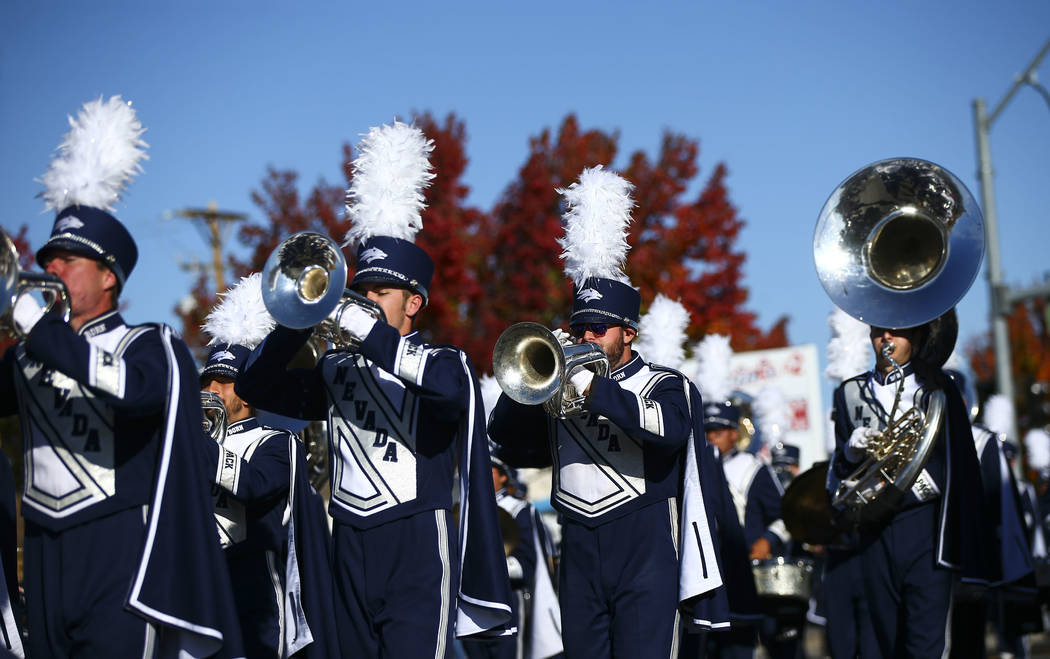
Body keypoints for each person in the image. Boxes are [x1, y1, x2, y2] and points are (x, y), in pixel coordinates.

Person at [237, 121, 513, 656]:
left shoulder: (442, 361)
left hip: (414, 541)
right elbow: (256, 386)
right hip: (350, 543)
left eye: (380, 292)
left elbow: (451, 395)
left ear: (413, 303)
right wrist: (296, 322)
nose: (364, 301)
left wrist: (372, 333)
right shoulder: (336, 367)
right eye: (359, 291)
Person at [0, 96, 241, 657]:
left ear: (109, 276)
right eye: (48, 256)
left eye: (67, 259)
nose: (49, 267)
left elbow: (136, 393)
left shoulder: (149, 344)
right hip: (41, 549)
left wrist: (38, 331)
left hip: (117, 549)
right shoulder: (30, 353)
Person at [489, 166, 727, 657]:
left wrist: (593, 388)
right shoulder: (563, 384)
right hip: (577, 546)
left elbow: (668, 432)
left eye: (599, 328)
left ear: (628, 333)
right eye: (580, 329)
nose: (587, 338)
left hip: (644, 548)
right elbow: (508, 443)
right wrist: (527, 388)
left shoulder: (666, 384)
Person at [827, 316, 991, 657]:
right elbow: (841, 474)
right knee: (887, 642)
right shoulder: (849, 393)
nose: (885, 338)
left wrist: (917, 481)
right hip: (873, 529)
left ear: (916, 335)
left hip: (926, 528)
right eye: (878, 330)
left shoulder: (937, 388)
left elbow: (962, 464)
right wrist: (850, 448)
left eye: (896, 330)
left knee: (925, 644)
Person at [198, 273, 338, 658]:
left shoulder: (277, 442)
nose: (210, 391)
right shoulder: (199, 443)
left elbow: (254, 484)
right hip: (204, 583)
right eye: (207, 381)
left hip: (256, 589)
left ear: (247, 393)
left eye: (223, 382)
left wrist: (196, 448)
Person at [704, 402, 789, 658]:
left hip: (741, 575)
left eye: (718, 431)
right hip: (705, 574)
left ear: (734, 433)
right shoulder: (695, 466)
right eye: (707, 432)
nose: (710, 438)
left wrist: (768, 540)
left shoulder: (753, 468)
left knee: (738, 648)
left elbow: (785, 516)